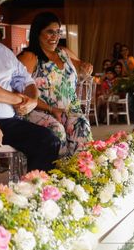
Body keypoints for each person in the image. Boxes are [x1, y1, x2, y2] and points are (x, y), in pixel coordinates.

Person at [0, 0, 60, 171]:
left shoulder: (3, 52)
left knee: (48, 140)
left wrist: (31, 100)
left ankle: (30, 193)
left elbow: (27, 81)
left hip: (7, 122)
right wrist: (20, 100)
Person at [18, 11, 92, 157]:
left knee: (81, 124)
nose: (55, 37)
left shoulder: (63, 52)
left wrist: (86, 67)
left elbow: (82, 69)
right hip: (39, 111)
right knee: (56, 129)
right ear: (37, 33)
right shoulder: (30, 57)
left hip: (68, 111)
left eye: (58, 32)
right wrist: (51, 108)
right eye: (50, 32)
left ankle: (80, 170)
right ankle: (56, 174)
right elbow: (19, 93)